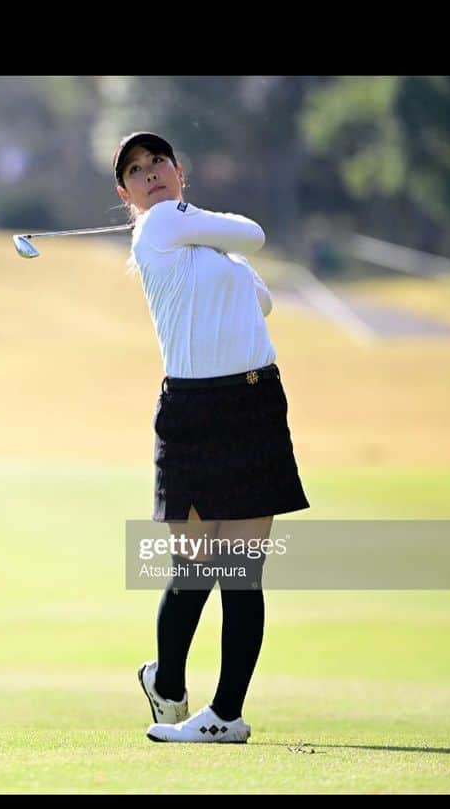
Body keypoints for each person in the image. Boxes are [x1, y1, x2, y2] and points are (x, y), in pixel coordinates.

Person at [113, 132, 310, 744]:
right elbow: (252, 233)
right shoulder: (164, 223)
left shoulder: (195, 241)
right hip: (196, 409)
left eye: (158, 163)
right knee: (197, 563)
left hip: (253, 401)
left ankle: (225, 715)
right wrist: (203, 236)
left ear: (179, 169)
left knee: (242, 569)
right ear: (126, 192)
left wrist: (215, 260)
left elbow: (263, 299)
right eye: (136, 171)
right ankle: (168, 681)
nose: (150, 174)